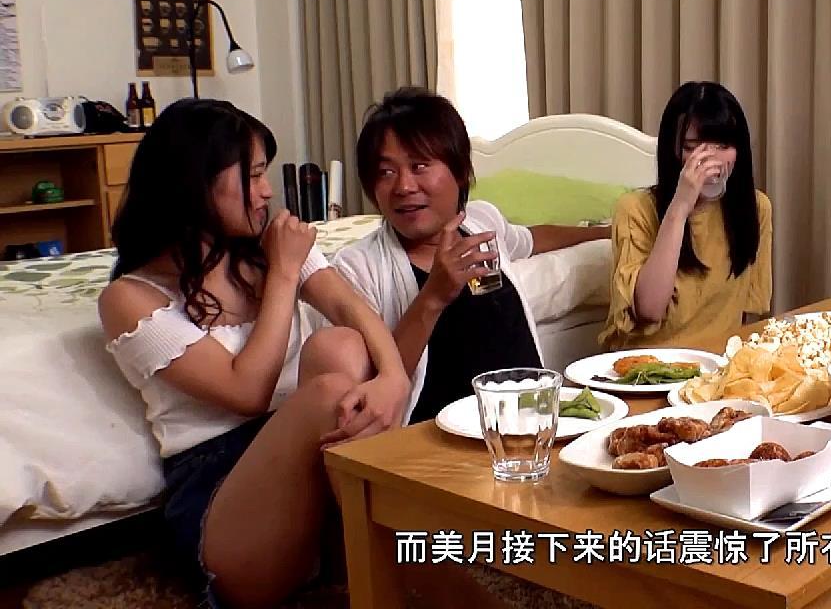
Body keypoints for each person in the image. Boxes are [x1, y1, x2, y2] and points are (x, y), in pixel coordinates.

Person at [98, 99, 411, 609]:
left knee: (341, 344)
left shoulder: (265, 245)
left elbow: (352, 308)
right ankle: (410, 566)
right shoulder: (129, 298)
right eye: (254, 175)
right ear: (196, 181)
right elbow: (248, 392)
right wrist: (283, 273)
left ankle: (371, 556)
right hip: (221, 497)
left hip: (311, 462)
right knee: (329, 393)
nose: (267, 191)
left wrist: (394, 376)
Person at [330, 87, 610, 422]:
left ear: (460, 170)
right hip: (435, 438)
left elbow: (531, 239)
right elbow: (375, 392)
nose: (403, 186)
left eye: (419, 165)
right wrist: (433, 296)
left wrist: (604, 231)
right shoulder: (356, 267)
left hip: (531, 425)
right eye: (386, 172)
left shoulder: (481, 221)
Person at [599, 81, 773, 351]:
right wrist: (680, 207)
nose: (709, 159)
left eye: (722, 145)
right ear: (673, 150)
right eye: (692, 147)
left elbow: (742, 318)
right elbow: (650, 310)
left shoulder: (755, 208)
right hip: (649, 365)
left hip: (717, 364)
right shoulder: (634, 209)